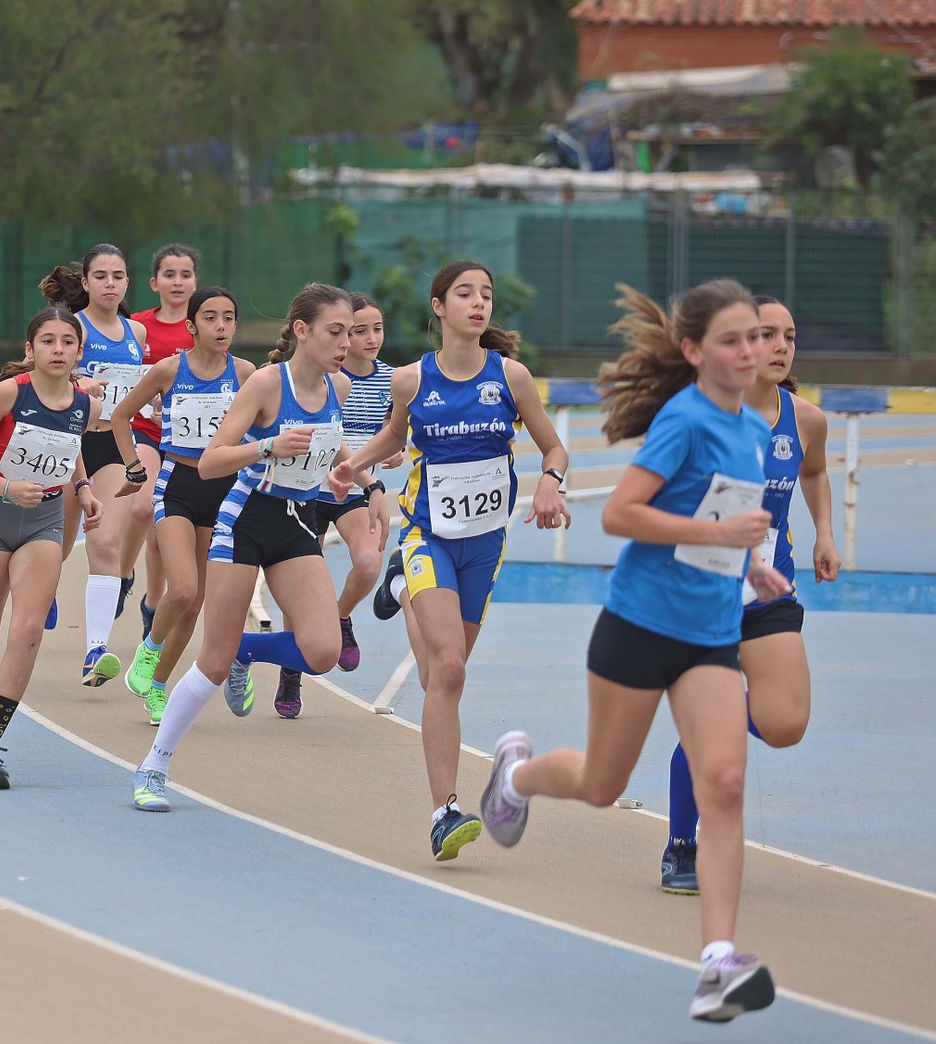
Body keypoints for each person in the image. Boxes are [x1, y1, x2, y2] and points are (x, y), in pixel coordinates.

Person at [478, 280, 791, 1024]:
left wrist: (750, 564)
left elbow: (714, 513)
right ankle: (516, 775)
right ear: (693, 351)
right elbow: (620, 514)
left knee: (725, 780)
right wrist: (723, 539)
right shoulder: (683, 422)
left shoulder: (751, 427)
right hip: (640, 626)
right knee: (600, 783)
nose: (750, 352)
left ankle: (718, 963)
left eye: (757, 337)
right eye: (733, 340)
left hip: (710, 634)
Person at [333, 262, 570, 861]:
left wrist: (551, 482)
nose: (479, 303)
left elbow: (553, 445)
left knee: (445, 676)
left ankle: (400, 587)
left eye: (487, 294)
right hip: (426, 532)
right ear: (439, 306)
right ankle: (445, 813)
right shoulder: (412, 380)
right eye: (465, 293)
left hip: (484, 544)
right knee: (451, 668)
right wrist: (353, 465)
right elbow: (394, 436)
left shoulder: (510, 377)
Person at [130, 283, 385, 812]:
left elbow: (334, 445)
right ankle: (154, 765)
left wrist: (360, 479)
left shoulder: (338, 389)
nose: (346, 343)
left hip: (297, 522)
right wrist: (267, 445)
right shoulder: (268, 384)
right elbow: (211, 461)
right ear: (301, 330)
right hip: (244, 519)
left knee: (323, 652)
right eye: (335, 332)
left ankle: (251, 648)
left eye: (351, 333)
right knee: (213, 663)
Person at [658, 295, 839, 893]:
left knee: (785, 723)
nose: (781, 346)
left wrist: (825, 534)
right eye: (768, 334)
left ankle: (717, 715)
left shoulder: (805, 419)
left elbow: (812, 471)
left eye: (790, 336)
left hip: (768, 587)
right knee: (707, 732)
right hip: (701, 586)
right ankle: (682, 845)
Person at [0, 306, 103, 788]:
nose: (58, 350)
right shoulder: (8, 395)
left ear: (79, 352)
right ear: (30, 350)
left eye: (67, 342)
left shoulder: (85, 405)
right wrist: (5, 487)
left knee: (30, 628)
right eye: (48, 342)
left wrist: (82, 487)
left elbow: (69, 445)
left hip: (44, 523)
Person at [112, 287, 255, 725]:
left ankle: (158, 686)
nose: (221, 326)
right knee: (185, 589)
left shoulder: (246, 373)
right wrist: (135, 468)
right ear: (191, 326)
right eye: (210, 318)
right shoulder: (168, 369)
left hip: (224, 492)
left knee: (195, 606)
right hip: (177, 486)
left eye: (229, 318)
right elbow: (121, 417)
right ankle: (149, 649)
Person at [273, 291, 401, 718]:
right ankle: (291, 671)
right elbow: (323, 435)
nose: (365, 338)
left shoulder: (393, 380)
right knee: (299, 592)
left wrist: (392, 452)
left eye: (373, 329)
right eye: (353, 330)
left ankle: (340, 618)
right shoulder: (327, 374)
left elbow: (393, 431)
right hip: (310, 490)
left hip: (356, 490)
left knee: (368, 564)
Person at [40, 245, 150, 686]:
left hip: (114, 447)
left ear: (127, 283)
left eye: (118, 276)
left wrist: (152, 399)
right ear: (85, 283)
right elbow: (40, 375)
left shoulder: (136, 333)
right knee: (58, 545)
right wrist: (77, 383)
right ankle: (41, 588)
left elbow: (136, 390)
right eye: (100, 276)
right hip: (68, 445)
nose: (110, 283)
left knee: (104, 543)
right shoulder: (70, 327)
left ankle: (95, 652)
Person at [127, 244, 202, 637]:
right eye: (169, 274)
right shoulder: (137, 326)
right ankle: (123, 576)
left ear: (195, 282)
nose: (177, 281)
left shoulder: (204, 327)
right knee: (142, 508)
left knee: (160, 531)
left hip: (185, 445)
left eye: (185, 274)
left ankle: (152, 605)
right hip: (144, 432)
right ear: (154, 282)